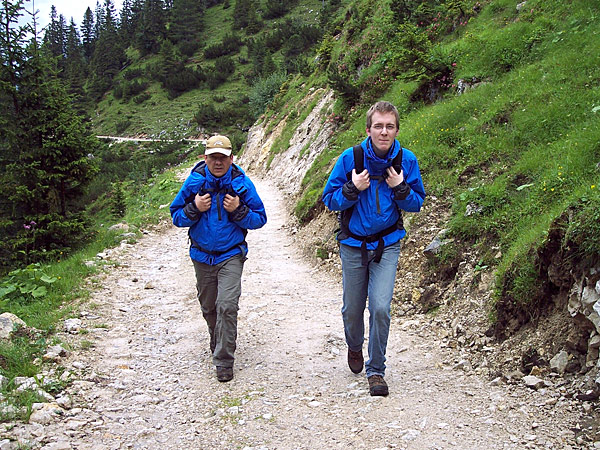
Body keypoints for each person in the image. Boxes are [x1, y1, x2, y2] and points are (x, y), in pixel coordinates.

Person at [322, 101, 426, 396]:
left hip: (387, 244)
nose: (384, 132)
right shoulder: (350, 158)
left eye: (389, 126)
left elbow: (416, 203)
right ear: (368, 130)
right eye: (378, 126)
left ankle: (376, 370)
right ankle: (354, 346)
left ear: (397, 130)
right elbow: (329, 200)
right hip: (353, 245)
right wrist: (352, 188)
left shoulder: (406, 160)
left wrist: (401, 188)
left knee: (380, 307)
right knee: (352, 309)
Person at [170, 135, 267, 382]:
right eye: (213, 157)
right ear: (205, 158)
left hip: (231, 254)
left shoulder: (241, 184)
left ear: (231, 159)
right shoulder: (194, 183)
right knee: (209, 306)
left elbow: (260, 218)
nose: (218, 162)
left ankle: (224, 360)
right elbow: (176, 216)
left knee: (227, 305)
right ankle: (216, 337)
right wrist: (194, 208)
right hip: (201, 255)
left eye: (223, 158)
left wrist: (238, 210)